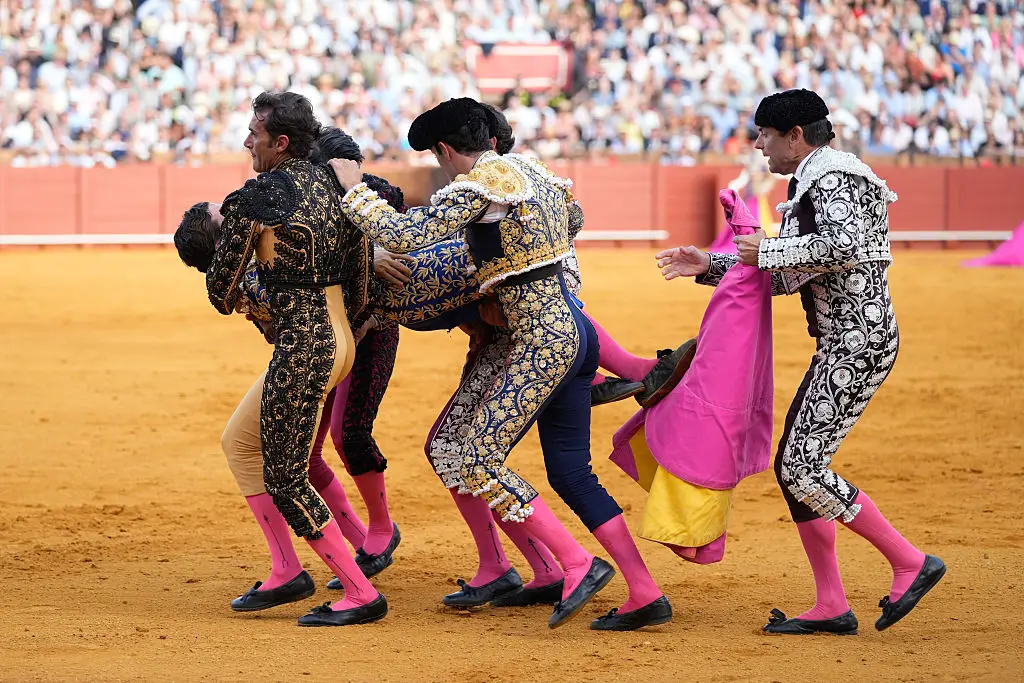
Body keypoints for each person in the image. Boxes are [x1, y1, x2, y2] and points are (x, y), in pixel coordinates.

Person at [331, 98, 672, 631]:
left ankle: (577, 563)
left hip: (539, 342)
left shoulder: (478, 186)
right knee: (566, 472)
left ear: (445, 150)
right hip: (571, 330)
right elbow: (573, 220)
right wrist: (503, 273)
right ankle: (644, 591)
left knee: (476, 459)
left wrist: (354, 190)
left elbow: (402, 236)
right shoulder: (534, 174)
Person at [656, 89, 945, 635]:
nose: (758, 145)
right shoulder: (817, 179)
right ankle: (831, 603)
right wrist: (709, 264)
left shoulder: (830, 179)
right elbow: (788, 276)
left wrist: (764, 249)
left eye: (765, 135)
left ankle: (909, 562)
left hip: (857, 344)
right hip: (848, 343)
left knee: (801, 468)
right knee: (796, 468)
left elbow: (842, 245)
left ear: (794, 136)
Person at [205, 91, 386, 627]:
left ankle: (359, 592)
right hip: (340, 339)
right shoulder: (333, 185)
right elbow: (359, 280)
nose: (247, 142)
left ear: (280, 142)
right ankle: (286, 568)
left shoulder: (258, 198)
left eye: (254, 134)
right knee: (240, 442)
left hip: (304, 345)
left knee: (286, 476)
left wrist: (242, 249)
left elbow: (221, 291)